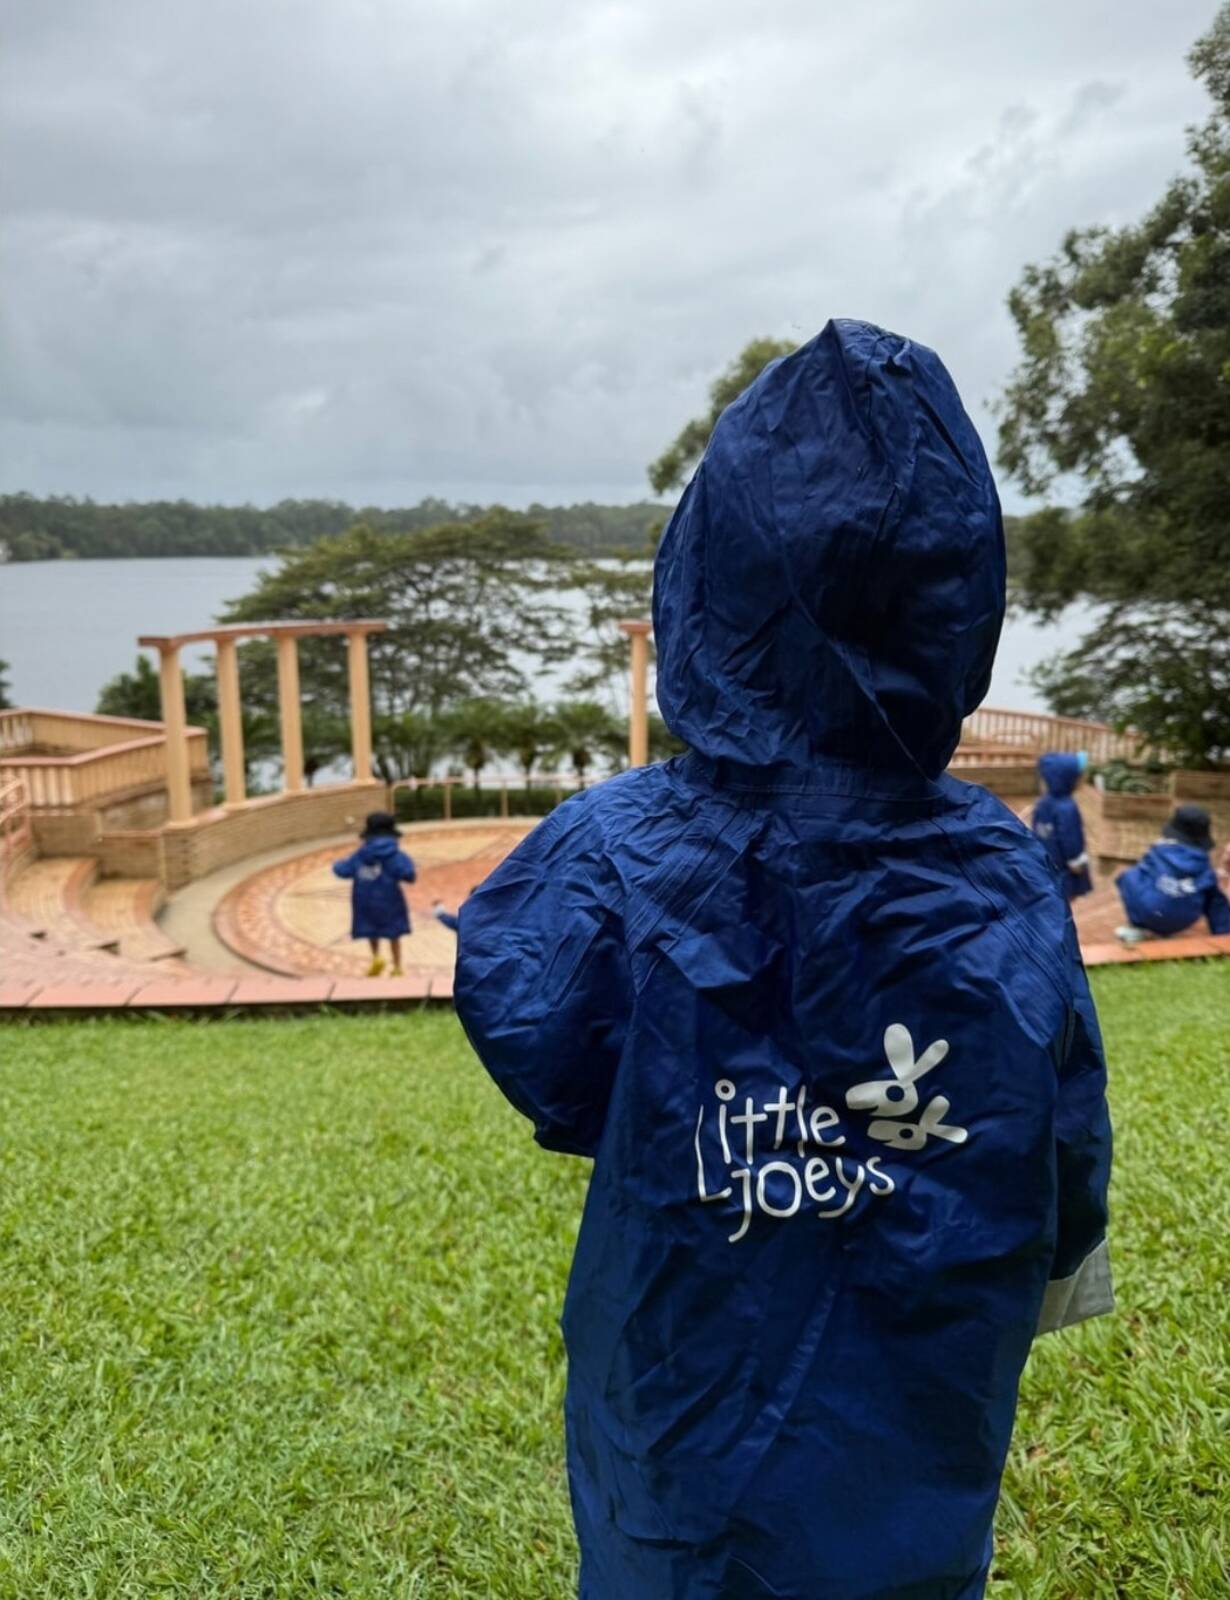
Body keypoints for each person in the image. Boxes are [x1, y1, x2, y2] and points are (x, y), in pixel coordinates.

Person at [454, 321, 1113, 1600]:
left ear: (710, 570)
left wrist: (695, 1100)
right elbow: (1061, 1136)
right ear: (957, 600)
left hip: (682, 1383)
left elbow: (535, 1027)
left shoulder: (612, 849)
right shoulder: (998, 869)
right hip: (923, 1405)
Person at [1115, 804, 1230, 942]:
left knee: (1128, 877)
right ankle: (1223, 936)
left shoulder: (1158, 851)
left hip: (1150, 913)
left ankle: (1137, 926)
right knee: (1213, 895)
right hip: (1183, 919)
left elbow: (1144, 872)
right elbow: (1217, 899)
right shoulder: (1204, 864)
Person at [331, 812, 416, 975]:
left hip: (364, 901)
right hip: (390, 901)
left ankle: (376, 958)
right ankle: (397, 967)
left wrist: (336, 862)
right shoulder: (396, 855)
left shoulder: (360, 854)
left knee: (370, 929)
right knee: (394, 933)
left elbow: (342, 870)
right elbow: (409, 874)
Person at [1031, 750, 1092, 898]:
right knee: (1062, 905)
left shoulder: (1043, 802)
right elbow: (1071, 839)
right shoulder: (1067, 808)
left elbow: (1035, 828)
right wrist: (1077, 862)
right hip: (1063, 871)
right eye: (1079, 776)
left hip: (1044, 865)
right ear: (1068, 779)